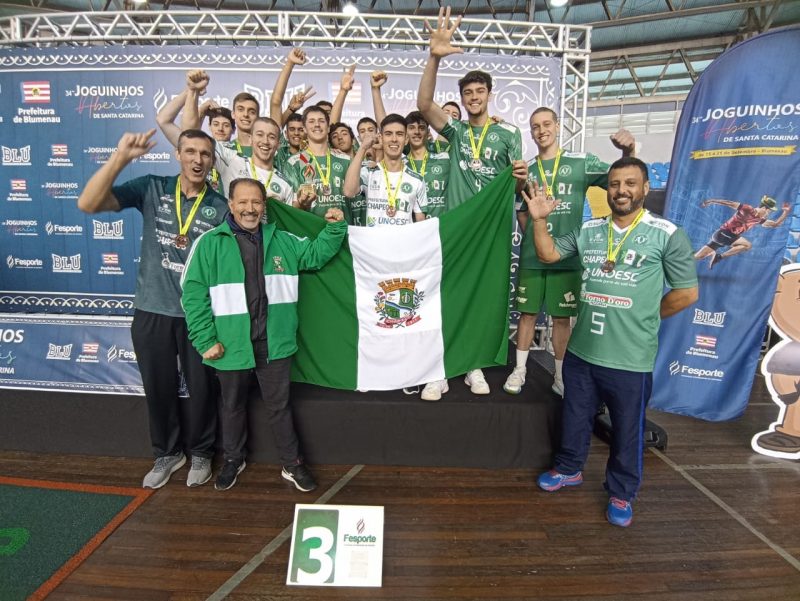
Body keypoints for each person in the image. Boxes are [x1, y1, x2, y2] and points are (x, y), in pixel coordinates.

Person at [527, 157, 698, 527]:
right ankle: (569, 468)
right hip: (583, 350)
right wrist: (539, 220)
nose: (622, 190)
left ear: (645, 188)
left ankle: (621, 492)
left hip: (630, 358)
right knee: (574, 416)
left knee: (626, 429)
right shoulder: (590, 230)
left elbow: (686, 293)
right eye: (616, 184)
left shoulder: (667, 234)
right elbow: (548, 253)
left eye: (630, 184)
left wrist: (647, 316)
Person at [77, 128, 229, 489]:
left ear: (212, 161)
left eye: (204, 154)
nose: (197, 160)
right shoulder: (153, 187)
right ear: (178, 155)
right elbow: (87, 204)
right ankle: (168, 453)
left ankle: (203, 453)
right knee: (158, 387)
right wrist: (121, 158)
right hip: (152, 309)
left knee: (203, 390)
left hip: (199, 315)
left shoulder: (221, 207)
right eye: (190, 151)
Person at [181, 178, 347, 491]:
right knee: (232, 407)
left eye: (256, 202)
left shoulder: (282, 240)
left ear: (264, 206)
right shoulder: (209, 243)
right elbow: (192, 294)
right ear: (230, 205)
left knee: (279, 407)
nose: (250, 209)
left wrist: (335, 228)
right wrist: (205, 340)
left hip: (275, 344)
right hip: (229, 345)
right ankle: (233, 459)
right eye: (242, 202)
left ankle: (291, 463)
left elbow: (314, 255)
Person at [416, 6, 528, 399]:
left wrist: (521, 183)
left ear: (489, 95)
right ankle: (439, 368)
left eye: (480, 91)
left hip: (495, 231)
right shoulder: (458, 132)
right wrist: (434, 56)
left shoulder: (510, 135)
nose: (474, 97)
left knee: (484, 299)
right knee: (446, 294)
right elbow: (424, 102)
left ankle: (473, 365)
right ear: (462, 99)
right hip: (457, 225)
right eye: (467, 93)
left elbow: (515, 188)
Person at [505, 107, 635, 396]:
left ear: (558, 126)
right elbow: (521, 211)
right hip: (532, 258)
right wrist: (534, 241)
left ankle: (560, 375)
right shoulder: (526, 169)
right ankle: (520, 370)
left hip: (568, 255)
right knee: (526, 315)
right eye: (535, 126)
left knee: (561, 319)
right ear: (531, 132)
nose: (542, 131)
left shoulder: (581, 162)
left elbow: (619, 177)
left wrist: (628, 152)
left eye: (546, 124)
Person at [158, 71, 296, 205]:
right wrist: (192, 91)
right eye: (260, 135)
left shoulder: (284, 183)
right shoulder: (230, 158)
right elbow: (190, 134)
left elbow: (276, 103)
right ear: (252, 138)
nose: (265, 141)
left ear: (278, 143)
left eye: (271, 137)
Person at [343, 114, 427, 227]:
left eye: (399, 134)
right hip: (374, 243)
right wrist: (363, 147)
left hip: (403, 244)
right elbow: (348, 191)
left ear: (406, 139)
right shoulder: (369, 172)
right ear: (381, 138)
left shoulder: (417, 179)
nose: (394, 139)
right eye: (388, 134)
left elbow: (421, 224)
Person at [285, 105, 356, 224]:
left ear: (328, 128)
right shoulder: (294, 162)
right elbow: (289, 209)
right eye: (311, 121)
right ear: (305, 129)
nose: (317, 125)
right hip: (310, 235)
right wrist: (301, 204)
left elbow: (355, 202)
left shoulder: (346, 160)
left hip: (342, 231)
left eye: (321, 121)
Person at [694, 196, 790, 268]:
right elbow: (728, 203)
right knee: (747, 245)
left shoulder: (759, 219)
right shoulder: (747, 208)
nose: (768, 214)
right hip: (724, 233)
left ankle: (681, 264)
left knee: (697, 257)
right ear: (764, 208)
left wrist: (785, 212)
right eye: (769, 211)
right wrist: (711, 201)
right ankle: (719, 257)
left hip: (722, 238)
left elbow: (776, 224)